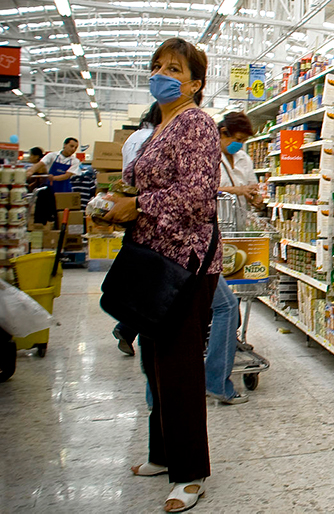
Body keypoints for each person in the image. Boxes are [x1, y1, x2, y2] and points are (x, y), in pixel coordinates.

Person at [103, 38, 220, 513]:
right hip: (153, 259)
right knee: (154, 362)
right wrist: (113, 199)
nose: (162, 73)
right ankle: (161, 453)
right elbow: (137, 180)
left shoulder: (196, 124)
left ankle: (189, 473)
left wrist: (137, 205)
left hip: (184, 263)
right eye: (156, 66)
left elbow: (196, 197)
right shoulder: (159, 126)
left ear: (195, 83)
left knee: (178, 365)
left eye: (174, 68)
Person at [205, 111, 259, 405]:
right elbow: (203, 190)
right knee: (224, 305)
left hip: (237, 234)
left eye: (243, 142)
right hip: (211, 235)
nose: (239, 146)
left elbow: (250, 189)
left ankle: (220, 348)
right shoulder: (206, 155)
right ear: (222, 132)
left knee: (231, 299)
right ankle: (215, 375)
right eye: (236, 140)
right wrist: (235, 189)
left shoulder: (245, 160)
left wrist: (254, 195)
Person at [111, 103, 162, 357]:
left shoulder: (133, 137)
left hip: (131, 208)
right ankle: (132, 327)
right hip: (149, 211)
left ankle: (128, 326)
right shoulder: (154, 138)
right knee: (154, 276)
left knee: (141, 271)